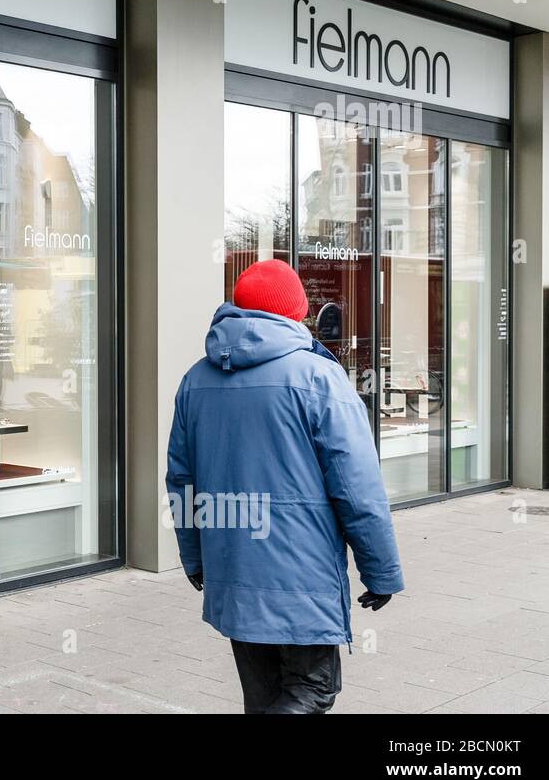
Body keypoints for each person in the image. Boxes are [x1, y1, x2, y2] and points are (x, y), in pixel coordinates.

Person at [166, 259, 404, 714]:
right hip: (301, 573)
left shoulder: (196, 380)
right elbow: (358, 488)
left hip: (232, 568)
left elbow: (182, 481)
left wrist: (195, 556)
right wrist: (381, 570)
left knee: (263, 697)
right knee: (311, 690)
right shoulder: (317, 377)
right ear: (297, 312)